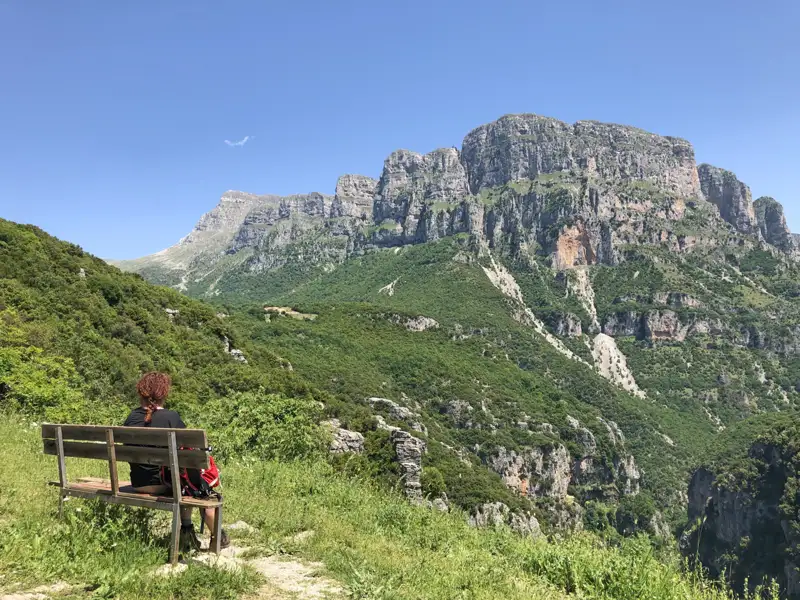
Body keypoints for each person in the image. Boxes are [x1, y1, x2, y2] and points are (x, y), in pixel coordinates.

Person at [123, 371, 229, 551]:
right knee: (197, 486)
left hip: (139, 483)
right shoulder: (171, 418)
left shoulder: (131, 418)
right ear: (164, 394)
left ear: (141, 393)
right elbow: (189, 452)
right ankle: (218, 538)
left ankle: (187, 531)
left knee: (182, 479)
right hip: (164, 485)